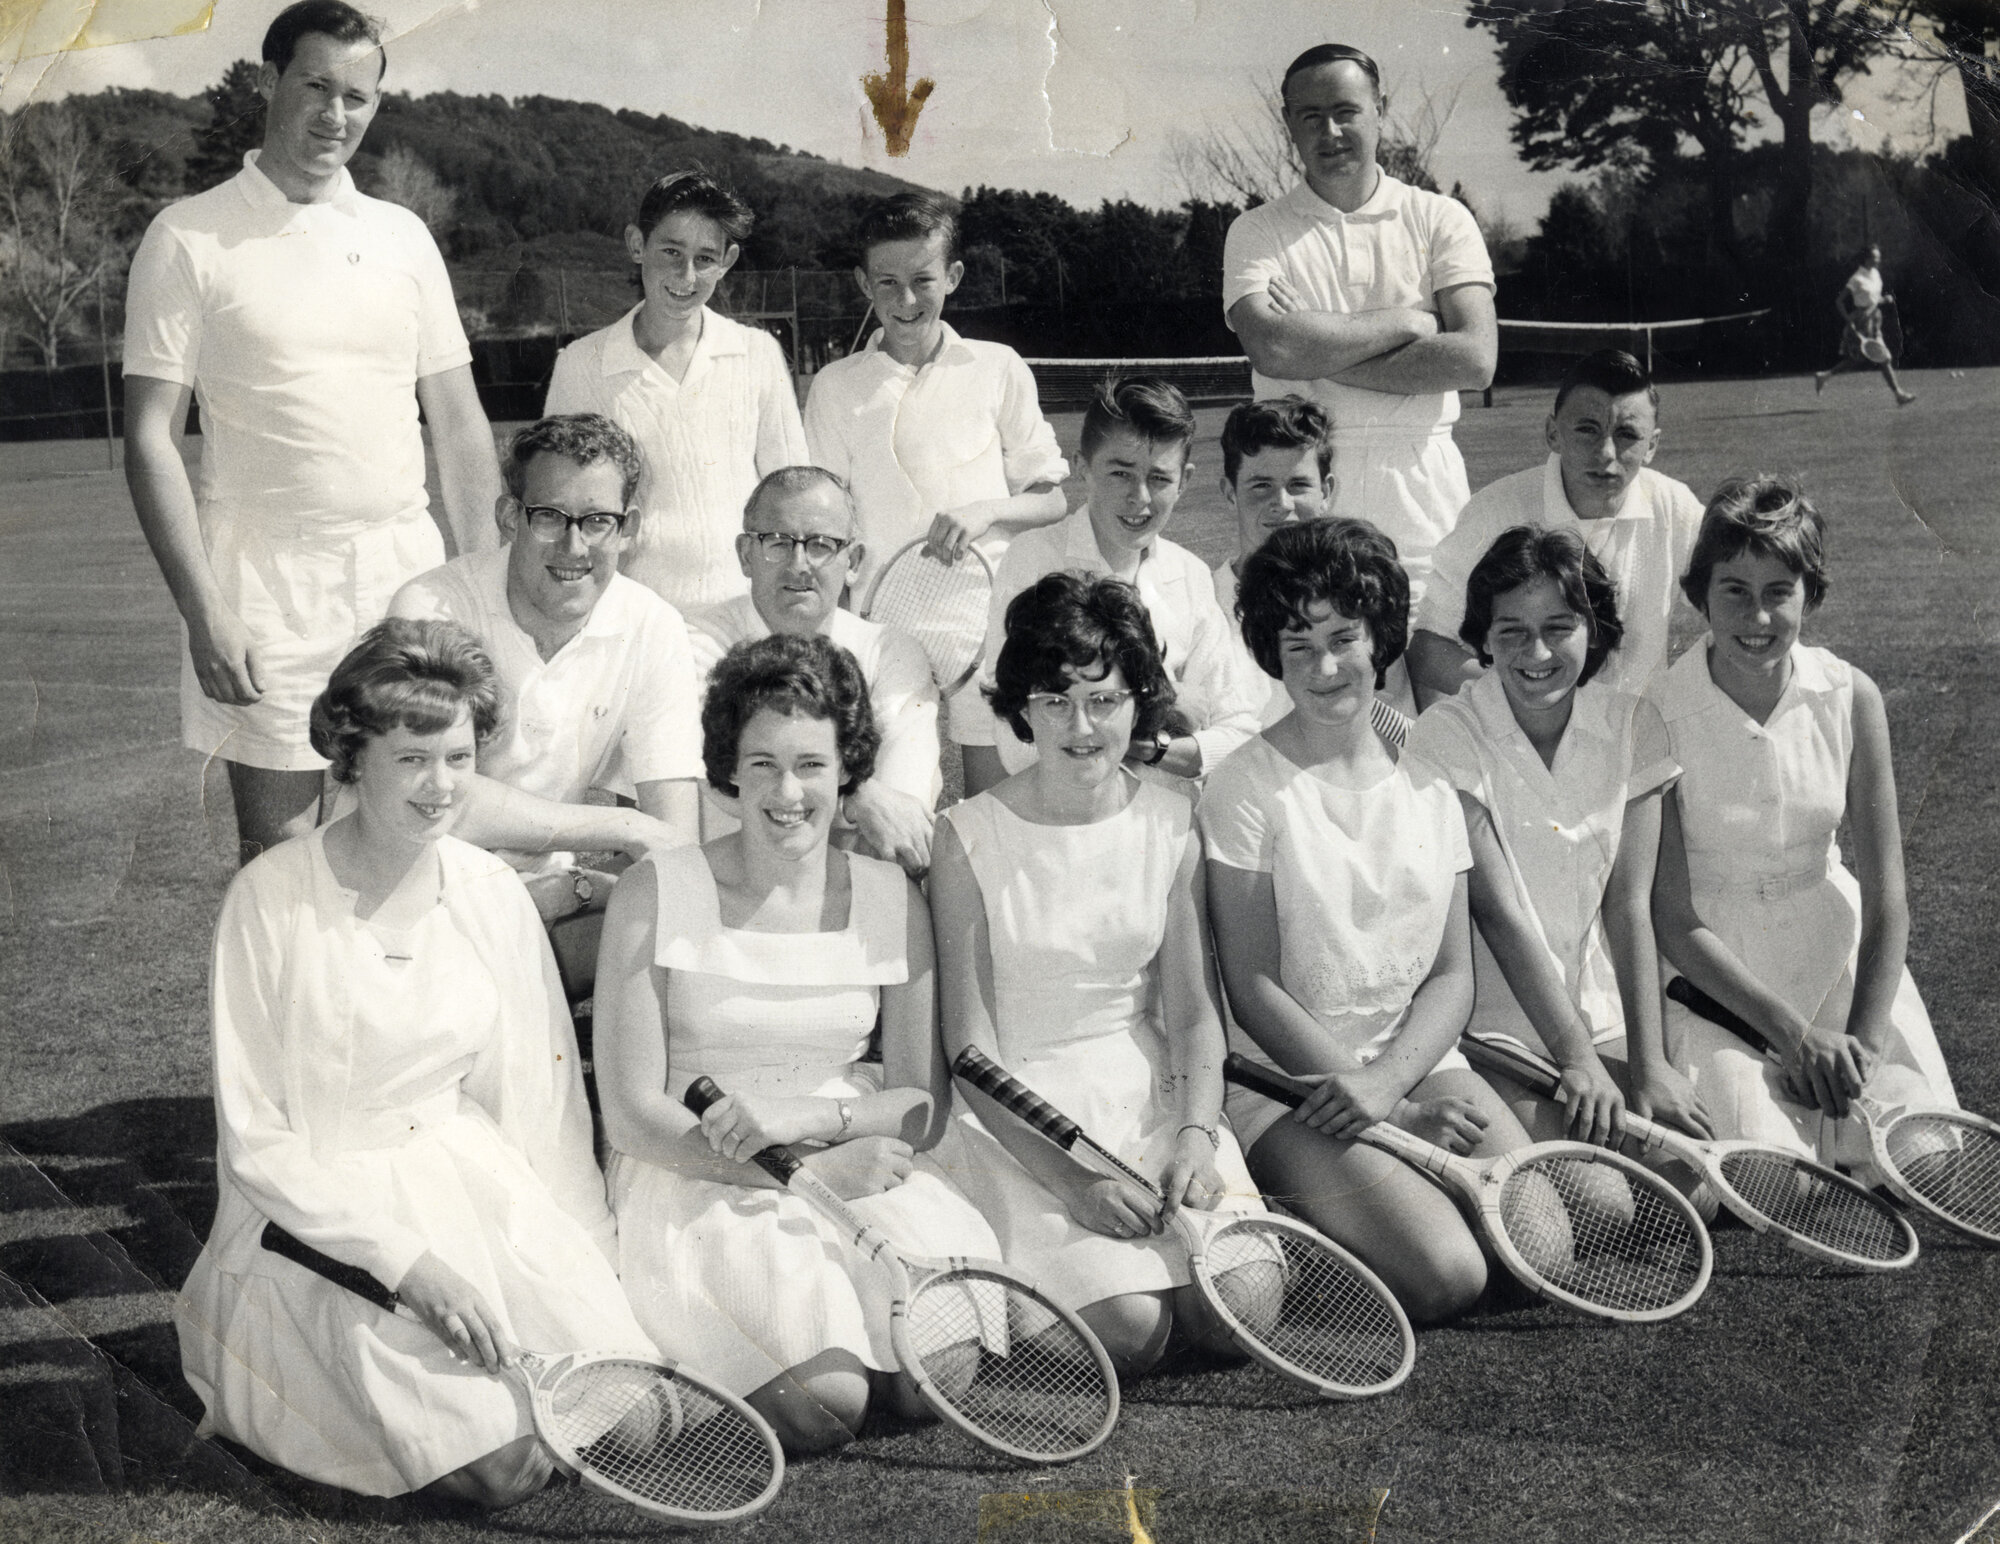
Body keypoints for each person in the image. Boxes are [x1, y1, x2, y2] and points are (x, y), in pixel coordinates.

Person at [175, 619, 653, 1506]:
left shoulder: (489, 891)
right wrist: (407, 1265)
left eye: (461, 759)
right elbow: (255, 1141)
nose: (442, 789)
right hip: (315, 1229)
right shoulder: (268, 899)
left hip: (470, 1186)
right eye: (412, 760)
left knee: (632, 1418)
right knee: (503, 1470)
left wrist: (587, 1265)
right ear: (353, 760)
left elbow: (540, 1106)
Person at [592, 633, 1000, 1456]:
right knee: (826, 1404)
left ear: (847, 768)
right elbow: (634, 1117)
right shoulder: (654, 891)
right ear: (727, 769)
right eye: (763, 763)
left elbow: (919, 1110)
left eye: (811, 764)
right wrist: (804, 1173)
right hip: (694, 1172)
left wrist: (811, 1125)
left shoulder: (893, 898)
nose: (788, 791)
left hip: (853, 1153)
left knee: (940, 1376)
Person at [123, 0, 504, 865]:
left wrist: (478, 585)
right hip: (263, 588)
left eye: (358, 97)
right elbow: (150, 439)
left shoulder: (402, 237)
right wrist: (204, 608)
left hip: (404, 576)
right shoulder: (187, 236)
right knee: (282, 853)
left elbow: (458, 421)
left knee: (423, 832)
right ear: (269, 82)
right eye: (317, 86)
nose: (336, 115)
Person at [929, 573, 1265, 1377]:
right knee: (1127, 1330)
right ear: (1021, 707)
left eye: (1105, 700)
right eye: (1054, 700)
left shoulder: (1173, 814)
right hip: (1022, 1117)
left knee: (1244, 1307)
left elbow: (1190, 1017)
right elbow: (970, 1057)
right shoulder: (965, 836)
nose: (1081, 726)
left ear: (1137, 701)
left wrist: (1196, 1136)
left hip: (1149, 1095)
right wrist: (1071, 1181)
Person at [1201, 520, 1534, 1324]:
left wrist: (1395, 1085)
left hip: (1415, 1066)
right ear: (1268, 654)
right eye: (1297, 645)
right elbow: (1252, 988)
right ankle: (1300, 1220)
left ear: (1379, 634)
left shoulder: (1430, 771)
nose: (1324, 667)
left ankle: (1375, 1211)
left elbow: (1455, 974)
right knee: (1448, 1277)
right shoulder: (1242, 787)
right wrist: (1384, 1105)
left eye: (1343, 637)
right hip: (1291, 1086)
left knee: (1538, 1250)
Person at [1650, 476, 1957, 1166]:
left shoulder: (1852, 696)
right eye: (1734, 591)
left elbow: (1888, 900)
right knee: (1768, 1176)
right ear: (1699, 593)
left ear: (1810, 595)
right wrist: (1792, 1037)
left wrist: (1862, 1047)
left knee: (1921, 1157)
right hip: (1717, 983)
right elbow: (1672, 916)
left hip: (1836, 964)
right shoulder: (1657, 709)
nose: (1756, 618)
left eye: (1778, 593)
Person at [1405, 525, 1698, 1146]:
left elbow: (1629, 906)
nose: (1536, 653)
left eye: (1559, 627)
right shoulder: (1445, 734)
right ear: (1482, 638)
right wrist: (1578, 1061)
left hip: (1603, 1016)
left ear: (1593, 632)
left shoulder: (1634, 724)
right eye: (1512, 631)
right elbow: (1499, 911)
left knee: (1689, 1179)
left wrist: (1650, 1064)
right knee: (1605, 1200)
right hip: (1495, 1028)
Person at [387, 414, 703, 920]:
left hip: (548, 898)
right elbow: (430, 788)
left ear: (630, 529)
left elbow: (674, 833)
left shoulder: (654, 625)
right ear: (510, 517)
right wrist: (621, 830)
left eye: (598, 521)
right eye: (550, 516)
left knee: (666, 926)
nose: (574, 547)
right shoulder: (431, 608)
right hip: (409, 892)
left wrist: (579, 887)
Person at [1222, 43, 1497, 622]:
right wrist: (1409, 323)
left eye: (1346, 111)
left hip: (1423, 490)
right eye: (1310, 116)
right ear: (1288, 125)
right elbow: (1270, 346)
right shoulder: (1256, 231)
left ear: (1380, 110)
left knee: (1440, 688)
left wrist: (1313, 347)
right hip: (1299, 492)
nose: (1331, 131)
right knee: (1316, 682)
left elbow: (1474, 360)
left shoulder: (1441, 218)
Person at [953, 378, 1265, 795]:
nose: (1139, 498)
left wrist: (1135, 737)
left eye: (1159, 478)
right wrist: (1167, 700)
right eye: (1120, 473)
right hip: (1065, 825)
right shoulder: (1033, 560)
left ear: (1185, 480)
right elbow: (1018, 737)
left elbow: (1237, 735)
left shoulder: (1189, 574)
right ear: (1083, 468)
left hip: (1169, 823)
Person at [545, 171, 808, 612]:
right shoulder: (580, 364)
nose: (686, 275)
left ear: (727, 261)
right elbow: (558, 505)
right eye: (670, 251)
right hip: (632, 619)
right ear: (636, 245)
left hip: (746, 614)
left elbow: (794, 497)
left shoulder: (758, 354)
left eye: (705, 258)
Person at [804, 191, 1068, 605]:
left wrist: (986, 511)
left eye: (922, 280)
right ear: (864, 283)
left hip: (998, 624)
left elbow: (1052, 500)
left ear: (953, 276)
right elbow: (823, 530)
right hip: (882, 628)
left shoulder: (1000, 366)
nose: (906, 300)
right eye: (888, 282)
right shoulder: (833, 386)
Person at [1409, 350, 1704, 708]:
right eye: (1587, 429)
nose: (1606, 452)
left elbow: (1735, 608)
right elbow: (1428, 648)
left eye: (1627, 434)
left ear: (1652, 446)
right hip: (1522, 737)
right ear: (1553, 433)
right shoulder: (1495, 510)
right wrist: (1529, 702)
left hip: (1633, 736)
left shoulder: (1675, 507)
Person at [687, 466, 941, 876]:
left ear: (853, 561)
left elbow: (900, 809)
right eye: (778, 543)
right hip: (723, 885)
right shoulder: (695, 641)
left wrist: (869, 806)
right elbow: (714, 777)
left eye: (821, 545)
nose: (799, 565)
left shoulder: (890, 650)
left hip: (853, 887)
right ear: (745, 554)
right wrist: (855, 800)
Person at [1813, 246, 1915, 406]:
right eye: (1876, 257)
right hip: (1860, 321)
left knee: (1867, 359)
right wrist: (1849, 321)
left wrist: (1884, 299)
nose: (1879, 260)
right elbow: (1839, 301)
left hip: (1874, 319)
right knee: (1876, 358)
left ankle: (1824, 376)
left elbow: (1872, 299)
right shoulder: (1857, 278)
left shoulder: (1875, 274)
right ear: (1867, 259)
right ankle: (1899, 395)